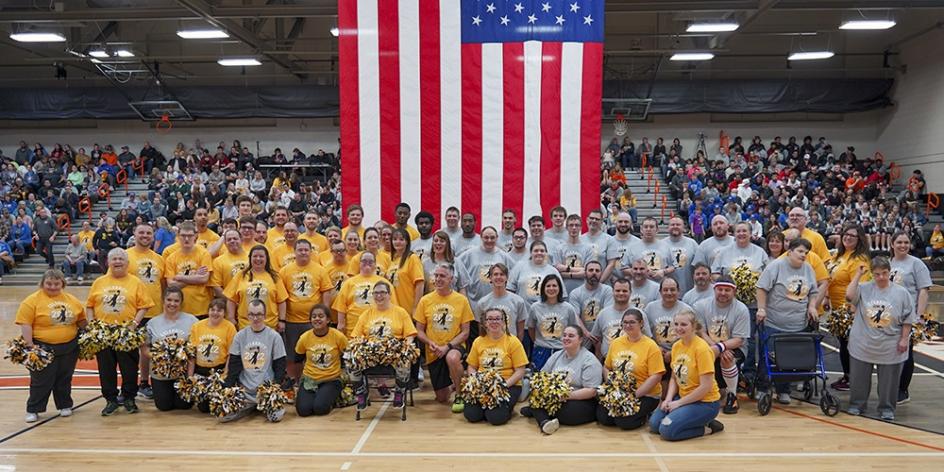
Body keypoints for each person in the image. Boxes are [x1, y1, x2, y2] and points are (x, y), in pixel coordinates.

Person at [86, 248, 155, 416]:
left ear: (127, 263)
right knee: (106, 368)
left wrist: (134, 324)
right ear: (108, 262)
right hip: (104, 333)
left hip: (126, 333)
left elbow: (144, 305)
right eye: (114, 259)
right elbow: (89, 306)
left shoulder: (136, 282)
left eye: (121, 259)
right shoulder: (99, 282)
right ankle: (111, 400)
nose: (117, 262)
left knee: (129, 367)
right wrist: (92, 325)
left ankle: (129, 398)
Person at [846, 257, 915, 420]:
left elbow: (908, 319)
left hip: (890, 344)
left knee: (889, 382)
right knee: (858, 379)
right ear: (872, 274)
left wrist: (904, 339)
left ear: (889, 272)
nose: (881, 277)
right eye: (877, 274)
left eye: (884, 273)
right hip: (863, 342)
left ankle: (887, 409)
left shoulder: (901, 293)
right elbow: (849, 296)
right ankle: (857, 405)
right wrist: (857, 275)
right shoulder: (863, 288)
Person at [16, 270, 86, 423]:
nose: (53, 287)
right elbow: (26, 324)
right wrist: (31, 346)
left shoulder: (72, 300)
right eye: (49, 283)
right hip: (42, 348)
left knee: (64, 378)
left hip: (69, 346)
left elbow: (81, 320)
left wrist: (92, 332)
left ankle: (65, 405)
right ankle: (33, 409)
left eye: (56, 283)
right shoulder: (31, 301)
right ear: (42, 283)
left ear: (62, 284)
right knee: (41, 380)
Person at [756, 238, 819, 404]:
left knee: (790, 359)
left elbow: (813, 291)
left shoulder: (808, 269)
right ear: (790, 251)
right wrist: (761, 308)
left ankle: (784, 390)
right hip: (775, 322)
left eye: (806, 252)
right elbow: (761, 287)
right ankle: (763, 388)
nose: (803, 255)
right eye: (800, 251)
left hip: (798, 323)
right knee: (769, 358)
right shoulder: (776, 266)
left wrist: (812, 306)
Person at [649, 311, 724, 441]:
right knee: (654, 425)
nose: (679, 328)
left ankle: (708, 427)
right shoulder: (677, 346)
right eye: (676, 324)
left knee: (666, 430)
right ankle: (689, 419)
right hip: (683, 397)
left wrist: (678, 403)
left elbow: (706, 387)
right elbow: (674, 377)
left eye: (684, 324)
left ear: (694, 327)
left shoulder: (702, 349)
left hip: (705, 403)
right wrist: (668, 399)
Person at [414, 263, 474, 411]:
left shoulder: (461, 300)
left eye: (443, 276)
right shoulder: (425, 300)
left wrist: (447, 347)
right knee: (442, 398)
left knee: (452, 358)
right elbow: (419, 331)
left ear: (451, 279)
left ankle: (459, 394)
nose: (438, 279)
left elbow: (465, 332)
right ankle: (457, 382)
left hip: (454, 346)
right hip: (434, 350)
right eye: (436, 276)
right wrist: (430, 343)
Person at [522, 325, 602, 434]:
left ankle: (538, 412)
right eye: (564, 335)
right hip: (558, 398)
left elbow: (591, 391)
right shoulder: (557, 355)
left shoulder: (589, 360)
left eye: (571, 336)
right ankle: (544, 422)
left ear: (580, 340)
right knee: (535, 397)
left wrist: (564, 396)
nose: (566, 338)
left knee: (567, 413)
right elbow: (542, 376)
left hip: (580, 399)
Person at [349, 281, 417, 409]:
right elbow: (355, 337)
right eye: (376, 293)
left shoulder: (400, 312)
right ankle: (361, 391)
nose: (379, 296)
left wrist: (405, 347)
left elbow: (410, 334)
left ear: (389, 294)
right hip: (371, 352)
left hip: (393, 351)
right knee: (350, 358)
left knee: (405, 358)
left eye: (382, 292)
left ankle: (399, 392)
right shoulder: (366, 314)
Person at [221, 299, 288, 423]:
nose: (255, 318)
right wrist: (229, 388)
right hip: (245, 391)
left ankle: (260, 405)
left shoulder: (274, 336)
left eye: (259, 314)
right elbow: (234, 364)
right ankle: (250, 406)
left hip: (265, 391)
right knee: (224, 416)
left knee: (276, 417)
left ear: (265, 315)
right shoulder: (240, 336)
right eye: (252, 314)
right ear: (247, 316)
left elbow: (280, 365)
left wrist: (275, 388)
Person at [596, 309, 664, 430]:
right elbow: (606, 367)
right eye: (625, 322)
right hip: (620, 393)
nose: (628, 325)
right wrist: (613, 386)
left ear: (641, 323)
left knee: (625, 422)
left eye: (632, 322)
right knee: (604, 418)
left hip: (645, 394)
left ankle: (647, 414)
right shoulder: (616, 343)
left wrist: (634, 395)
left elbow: (656, 376)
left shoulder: (651, 346)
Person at [279, 239, 332, 389]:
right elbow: (281, 296)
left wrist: (324, 314)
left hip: (312, 322)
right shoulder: (285, 271)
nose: (303, 252)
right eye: (300, 250)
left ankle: (313, 381)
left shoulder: (320, 270)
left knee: (312, 353)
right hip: (291, 320)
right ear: (294, 252)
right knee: (292, 355)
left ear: (310, 251)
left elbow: (326, 292)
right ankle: (294, 382)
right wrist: (281, 319)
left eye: (306, 250)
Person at [693, 276, 750, 415]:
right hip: (710, 345)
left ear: (734, 292)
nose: (723, 293)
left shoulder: (741, 309)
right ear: (714, 289)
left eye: (727, 290)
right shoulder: (701, 306)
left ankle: (732, 395)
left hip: (735, 347)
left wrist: (721, 348)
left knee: (727, 359)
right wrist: (718, 347)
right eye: (720, 289)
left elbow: (739, 340)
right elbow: (701, 333)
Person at [825, 224, 872, 392]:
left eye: (853, 235)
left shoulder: (859, 259)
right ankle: (848, 376)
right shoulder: (839, 255)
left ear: (860, 239)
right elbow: (831, 278)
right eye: (846, 234)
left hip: (850, 310)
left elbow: (861, 286)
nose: (848, 237)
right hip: (837, 308)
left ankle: (853, 378)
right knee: (844, 344)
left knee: (850, 346)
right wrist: (826, 297)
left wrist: (851, 310)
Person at [463, 308, 529, 426]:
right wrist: (477, 381)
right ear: (485, 323)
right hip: (484, 384)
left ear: (504, 322)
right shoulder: (478, 341)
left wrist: (503, 385)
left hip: (507, 384)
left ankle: (505, 408)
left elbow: (520, 371)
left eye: (498, 319)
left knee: (496, 418)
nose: (494, 322)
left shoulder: (513, 341)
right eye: (490, 319)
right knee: (472, 415)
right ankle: (489, 407)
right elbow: (471, 366)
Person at [888, 231, 932, 404]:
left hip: (908, 316)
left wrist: (918, 316)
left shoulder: (917, 264)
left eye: (906, 242)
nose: (903, 245)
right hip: (889, 317)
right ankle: (890, 385)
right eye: (899, 242)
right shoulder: (888, 263)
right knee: (890, 352)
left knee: (906, 352)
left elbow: (923, 290)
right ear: (892, 244)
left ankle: (902, 389)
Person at [126, 223, 165, 399]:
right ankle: (130, 386)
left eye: (149, 233)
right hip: (133, 313)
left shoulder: (159, 258)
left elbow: (163, 286)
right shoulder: (126, 257)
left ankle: (145, 383)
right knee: (132, 352)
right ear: (134, 234)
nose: (145, 235)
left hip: (155, 312)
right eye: (141, 232)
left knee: (149, 351)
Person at [145, 287, 199, 411]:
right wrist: (160, 357)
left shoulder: (192, 321)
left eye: (176, 301)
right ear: (163, 300)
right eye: (169, 300)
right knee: (164, 406)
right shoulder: (152, 323)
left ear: (181, 302)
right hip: (161, 374)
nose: (172, 304)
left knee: (184, 405)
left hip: (182, 373)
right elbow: (145, 349)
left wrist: (189, 377)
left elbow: (193, 351)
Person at [294, 304, 348, 417]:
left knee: (320, 409)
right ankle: (316, 395)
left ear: (328, 319)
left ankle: (336, 397)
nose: (317, 319)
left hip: (331, 379)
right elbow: (298, 359)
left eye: (320, 316)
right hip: (310, 379)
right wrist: (300, 381)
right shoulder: (304, 338)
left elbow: (348, 356)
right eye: (313, 316)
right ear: (310, 320)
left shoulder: (338, 336)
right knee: (303, 411)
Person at [187, 297, 237, 414]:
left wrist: (226, 373)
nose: (215, 313)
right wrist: (190, 376)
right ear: (208, 311)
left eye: (219, 310)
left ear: (224, 313)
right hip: (201, 372)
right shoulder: (197, 326)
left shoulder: (229, 327)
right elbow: (191, 353)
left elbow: (231, 354)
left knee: (218, 406)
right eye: (212, 310)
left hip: (218, 372)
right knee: (203, 408)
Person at [224, 245, 289, 330]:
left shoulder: (274, 277)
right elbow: (231, 299)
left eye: (261, 256)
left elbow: (281, 301)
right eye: (255, 256)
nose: (258, 259)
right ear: (250, 258)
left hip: (269, 325)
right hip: (245, 325)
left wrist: (282, 320)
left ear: (267, 259)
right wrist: (231, 318)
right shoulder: (240, 275)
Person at [332, 251, 389, 336]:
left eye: (370, 261)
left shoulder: (384, 282)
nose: (367, 263)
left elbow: (392, 305)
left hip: (376, 326)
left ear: (375, 264)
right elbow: (341, 305)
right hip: (353, 327)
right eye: (364, 261)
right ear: (359, 263)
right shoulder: (349, 282)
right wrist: (341, 323)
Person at [528, 274, 578, 370]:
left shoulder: (568, 308)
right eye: (548, 286)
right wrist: (539, 342)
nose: (551, 288)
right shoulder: (535, 307)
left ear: (560, 288)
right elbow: (531, 328)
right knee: (540, 380)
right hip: (541, 351)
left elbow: (574, 330)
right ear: (543, 288)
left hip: (562, 350)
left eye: (554, 285)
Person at [164, 221, 214, 317]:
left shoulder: (204, 254)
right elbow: (171, 286)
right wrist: (194, 276)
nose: (186, 239)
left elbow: (204, 279)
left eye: (190, 236)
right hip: (180, 308)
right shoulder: (171, 258)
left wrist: (180, 277)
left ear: (196, 236)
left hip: (201, 308)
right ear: (178, 236)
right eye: (183, 235)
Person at [474, 263, 530, 341]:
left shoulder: (518, 301)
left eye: (502, 274)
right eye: (495, 274)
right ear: (490, 278)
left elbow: (520, 331)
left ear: (507, 278)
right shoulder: (482, 303)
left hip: (511, 346)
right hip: (491, 346)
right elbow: (481, 331)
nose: (498, 277)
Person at [386, 228, 426, 315]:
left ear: (407, 242)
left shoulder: (412, 258)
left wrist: (416, 308)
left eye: (401, 239)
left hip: (408, 308)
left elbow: (420, 284)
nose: (397, 242)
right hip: (394, 309)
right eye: (395, 239)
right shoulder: (392, 261)